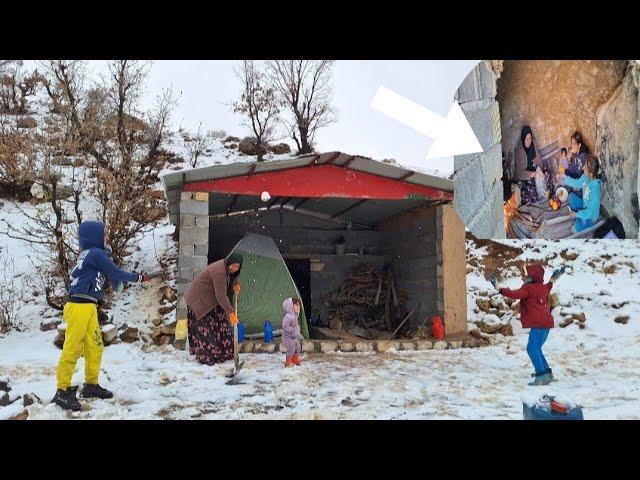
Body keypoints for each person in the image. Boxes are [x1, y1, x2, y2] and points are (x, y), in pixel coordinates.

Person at [52, 221, 152, 411]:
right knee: (73, 347)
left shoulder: (91, 255)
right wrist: (139, 278)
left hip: (87, 306)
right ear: (94, 237)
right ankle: (62, 390)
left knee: (94, 346)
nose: (106, 237)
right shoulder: (95, 254)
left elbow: (109, 277)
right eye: (104, 234)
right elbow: (116, 272)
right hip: (79, 307)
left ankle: (91, 385)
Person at [491, 264, 565, 386]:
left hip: (539, 324)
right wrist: (554, 278)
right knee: (536, 348)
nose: (522, 277)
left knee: (532, 349)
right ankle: (546, 373)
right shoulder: (542, 287)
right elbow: (549, 285)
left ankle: (541, 375)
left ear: (531, 277)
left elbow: (514, 294)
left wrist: (499, 288)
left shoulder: (528, 289)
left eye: (525, 275)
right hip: (545, 324)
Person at [184, 252, 242, 365]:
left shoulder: (227, 269)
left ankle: (226, 353)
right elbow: (221, 296)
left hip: (212, 300)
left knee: (222, 324)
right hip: (199, 301)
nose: (234, 268)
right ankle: (209, 356)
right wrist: (230, 313)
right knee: (207, 331)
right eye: (233, 265)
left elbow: (230, 278)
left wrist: (235, 284)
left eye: (237, 266)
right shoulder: (219, 271)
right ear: (229, 262)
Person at [566, 155, 601, 233]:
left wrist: (576, 214)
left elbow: (589, 212)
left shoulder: (595, 191)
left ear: (591, 174)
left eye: (585, 168)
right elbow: (576, 183)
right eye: (584, 166)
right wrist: (564, 178)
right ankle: (577, 214)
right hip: (585, 205)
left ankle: (579, 217)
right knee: (571, 197)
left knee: (576, 227)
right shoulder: (586, 177)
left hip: (591, 216)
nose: (582, 168)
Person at [514, 126, 543, 205]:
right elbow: (519, 174)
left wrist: (540, 169)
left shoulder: (533, 143)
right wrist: (532, 174)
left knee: (547, 174)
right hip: (525, 177)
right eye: (527, 139)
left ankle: (541, 191)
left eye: (530, 138)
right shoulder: (519, 150)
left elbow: (538, 158)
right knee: (531, 193)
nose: (529, 141)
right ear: (523, 139)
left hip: (534, 172)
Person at [282, 297, 303, 367]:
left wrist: (298, 331)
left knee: (297, 347)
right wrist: (293, 330)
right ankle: (288, 361)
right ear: (290, 306)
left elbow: (295, 326)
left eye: (299, 305)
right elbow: (285, 326)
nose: (298, 307)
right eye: (296, 305)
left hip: (294, 337)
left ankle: (295, 358)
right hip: (287, 338)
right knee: (291, 347)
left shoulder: (295, 316)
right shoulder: (288, 317)